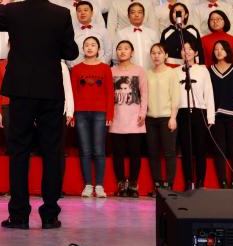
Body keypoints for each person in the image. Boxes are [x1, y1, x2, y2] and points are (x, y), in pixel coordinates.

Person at [0, 0, 77, 230]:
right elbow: (71, 52)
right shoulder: (61, 13)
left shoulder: (13, 10)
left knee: (19, 152)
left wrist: (7, 1)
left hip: (21, 90)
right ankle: (50, 215)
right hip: (50, 90)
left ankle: (19, 215)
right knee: (52, 152)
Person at [72, 36, 114, 198]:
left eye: (93, 45)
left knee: (99, 150)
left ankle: (100, 185)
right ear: (83, 49)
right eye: (87, 45)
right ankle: (88, 185)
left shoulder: (105, 68)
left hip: (100, 113)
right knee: (85, 150)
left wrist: (110, 114)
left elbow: (110, 93)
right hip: (81, 113)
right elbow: (73, 93)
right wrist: (72, 114)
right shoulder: (76, 69)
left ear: (98, 49)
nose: (90, 47)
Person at [108, 40, 148, 197]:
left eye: (126, 49)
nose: (122, 51)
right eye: (119, 49)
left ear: (132, 53)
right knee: (117, 154)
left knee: (135, 154)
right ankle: (121, 184)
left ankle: (133, 184)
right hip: (117, 118)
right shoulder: (111, 71)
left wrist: (142, 112)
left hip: (135, 119)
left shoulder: (139, 71)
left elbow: (144, 93)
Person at [175, 43, 215, 190]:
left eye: (190, 49)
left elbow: (209, 93)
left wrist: (210, 117)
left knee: (200, 149)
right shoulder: (175, 71)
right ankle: (188, 181)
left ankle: (200, 182)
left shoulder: (203, 70)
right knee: (186, 149)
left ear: (196, 52)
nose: (187, 52)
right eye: (183, 49)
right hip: (182, 112)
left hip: (199, 111)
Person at [208, 41, 233, 189]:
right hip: (216, 117)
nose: (219, 51)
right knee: (220, 150)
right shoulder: (209, 71)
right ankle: (222, 181)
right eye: (216, 49)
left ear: (227, 51)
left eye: (222, 49)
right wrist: (209, 116)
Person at [145, 43, 179, 192]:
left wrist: (173, 117)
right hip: (150, 118)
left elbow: (176, 97)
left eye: (159, 53)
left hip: (167, 118)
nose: (156, 56)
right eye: (153, 53)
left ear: (166, 55)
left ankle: (169, 184)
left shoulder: (172, 73)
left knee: (169, 152)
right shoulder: (147, 73)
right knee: (153, 153)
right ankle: (157, 184)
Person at [113, 2, 158, 69]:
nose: (136, 15)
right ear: (128, 16)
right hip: (129, 72)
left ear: (143, 15)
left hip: (150, 71)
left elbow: (158, 54)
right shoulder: (121, 34)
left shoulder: (153, 34)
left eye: (139, 12)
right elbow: (115, 57)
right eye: (133, 12)